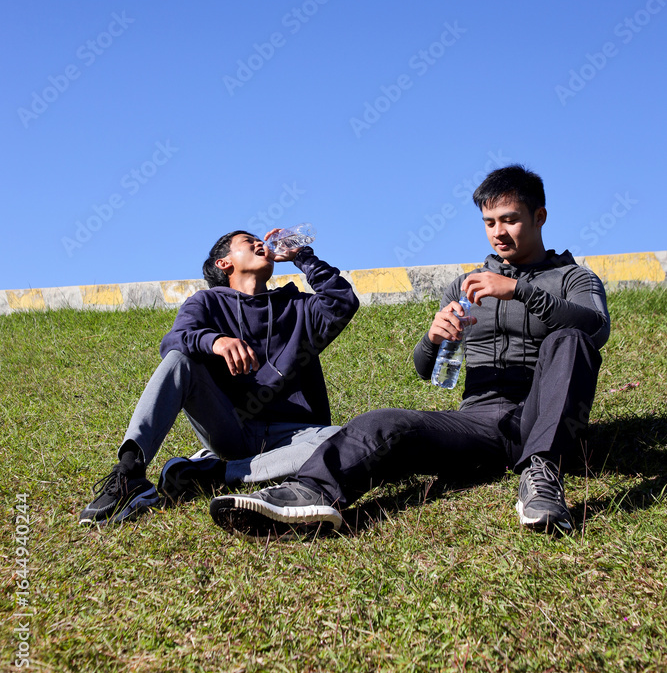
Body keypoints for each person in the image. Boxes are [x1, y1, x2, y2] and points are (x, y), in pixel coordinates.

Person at [210, 166, 610, 538]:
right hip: (481, 425)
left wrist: (520, 290)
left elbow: (595, 328)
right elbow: (426, 370)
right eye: (489, 222)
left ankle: (542, 476)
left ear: (539, 217)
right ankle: (310, 493)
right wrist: (433, 340)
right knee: (383, 421)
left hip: (545, 416)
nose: (498, 233)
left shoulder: (572, 278)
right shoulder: (468, 285)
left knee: (569, 337)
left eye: (510, 220)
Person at [79, 229, 359, 525]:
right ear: (224, 263)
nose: (260, 243)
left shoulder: (298, 307)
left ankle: (214, 473)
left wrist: (301, 255)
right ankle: (129, 473)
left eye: (259, 240)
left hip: (295, 436)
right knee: (179, 360)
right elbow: (174, 340)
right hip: (231, 427)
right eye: (248, 241)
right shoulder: (206, 302)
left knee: (345, 439)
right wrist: (215, 341)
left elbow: (342, 302)